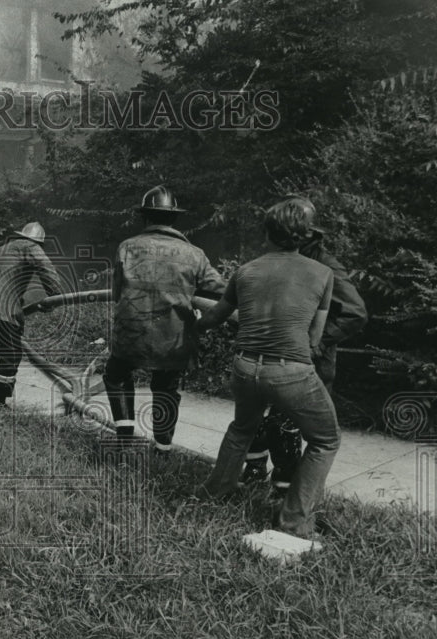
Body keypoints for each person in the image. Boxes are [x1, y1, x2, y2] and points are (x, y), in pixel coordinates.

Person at [196, 199, 340, 538]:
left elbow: (215, 317)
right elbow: (315, 337)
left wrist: (193, 325)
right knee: (325, 439)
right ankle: (294, 522)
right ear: (306, 236)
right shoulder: (323, 273)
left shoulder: (245, 270)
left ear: (267, 233)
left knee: (241, 429)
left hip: (245, 367)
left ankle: (211, 496)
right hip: (291, 370)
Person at [241, 196, 368, 493]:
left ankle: (285, 491)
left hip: (308, 361)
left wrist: (317, 342)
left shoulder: (325, 266)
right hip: (273, 355)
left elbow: (355, 313)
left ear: (308, 234)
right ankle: (256, 469)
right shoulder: (284, 262)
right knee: (258, 413)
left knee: (287, 424)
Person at [103, 186, 226, 452]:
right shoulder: (195, 254)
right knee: (166, 386)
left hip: (130, 334)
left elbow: (116, 294)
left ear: (145, 218)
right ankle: (163, 446)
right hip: (173, 338)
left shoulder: (127, 247)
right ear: (174, 219)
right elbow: (220, 289)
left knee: (116, 374)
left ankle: (124, 437)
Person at [0, 221, 62, 405]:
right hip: (0, 309)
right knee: (10, 355)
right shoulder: (31, 247)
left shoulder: (2, 248)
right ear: (38, 242)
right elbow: (48, 273)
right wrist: (55, 297)